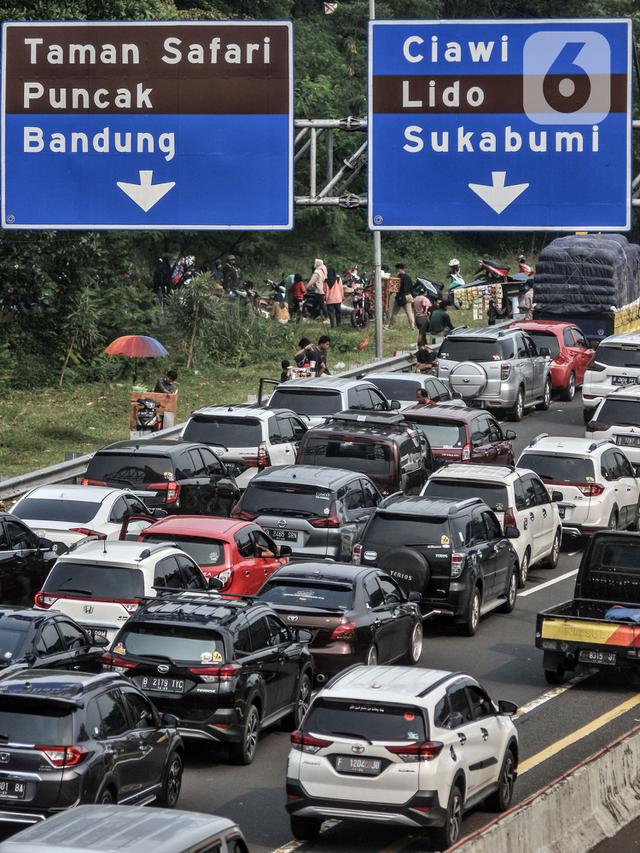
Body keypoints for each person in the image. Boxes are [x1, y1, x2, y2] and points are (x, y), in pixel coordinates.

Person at [389, 263, 415, 330]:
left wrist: (391, 293)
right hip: (409, 296)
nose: (396, 270)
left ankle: (391, 326)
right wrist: (413, 296)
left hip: (401, 296)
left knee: (394, 312)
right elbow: (412, 288)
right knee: (409, 312)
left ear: (399, 269)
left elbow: (396, 288)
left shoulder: (399, 277)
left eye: (396, 269)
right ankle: (412, 326)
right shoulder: (408, 277)